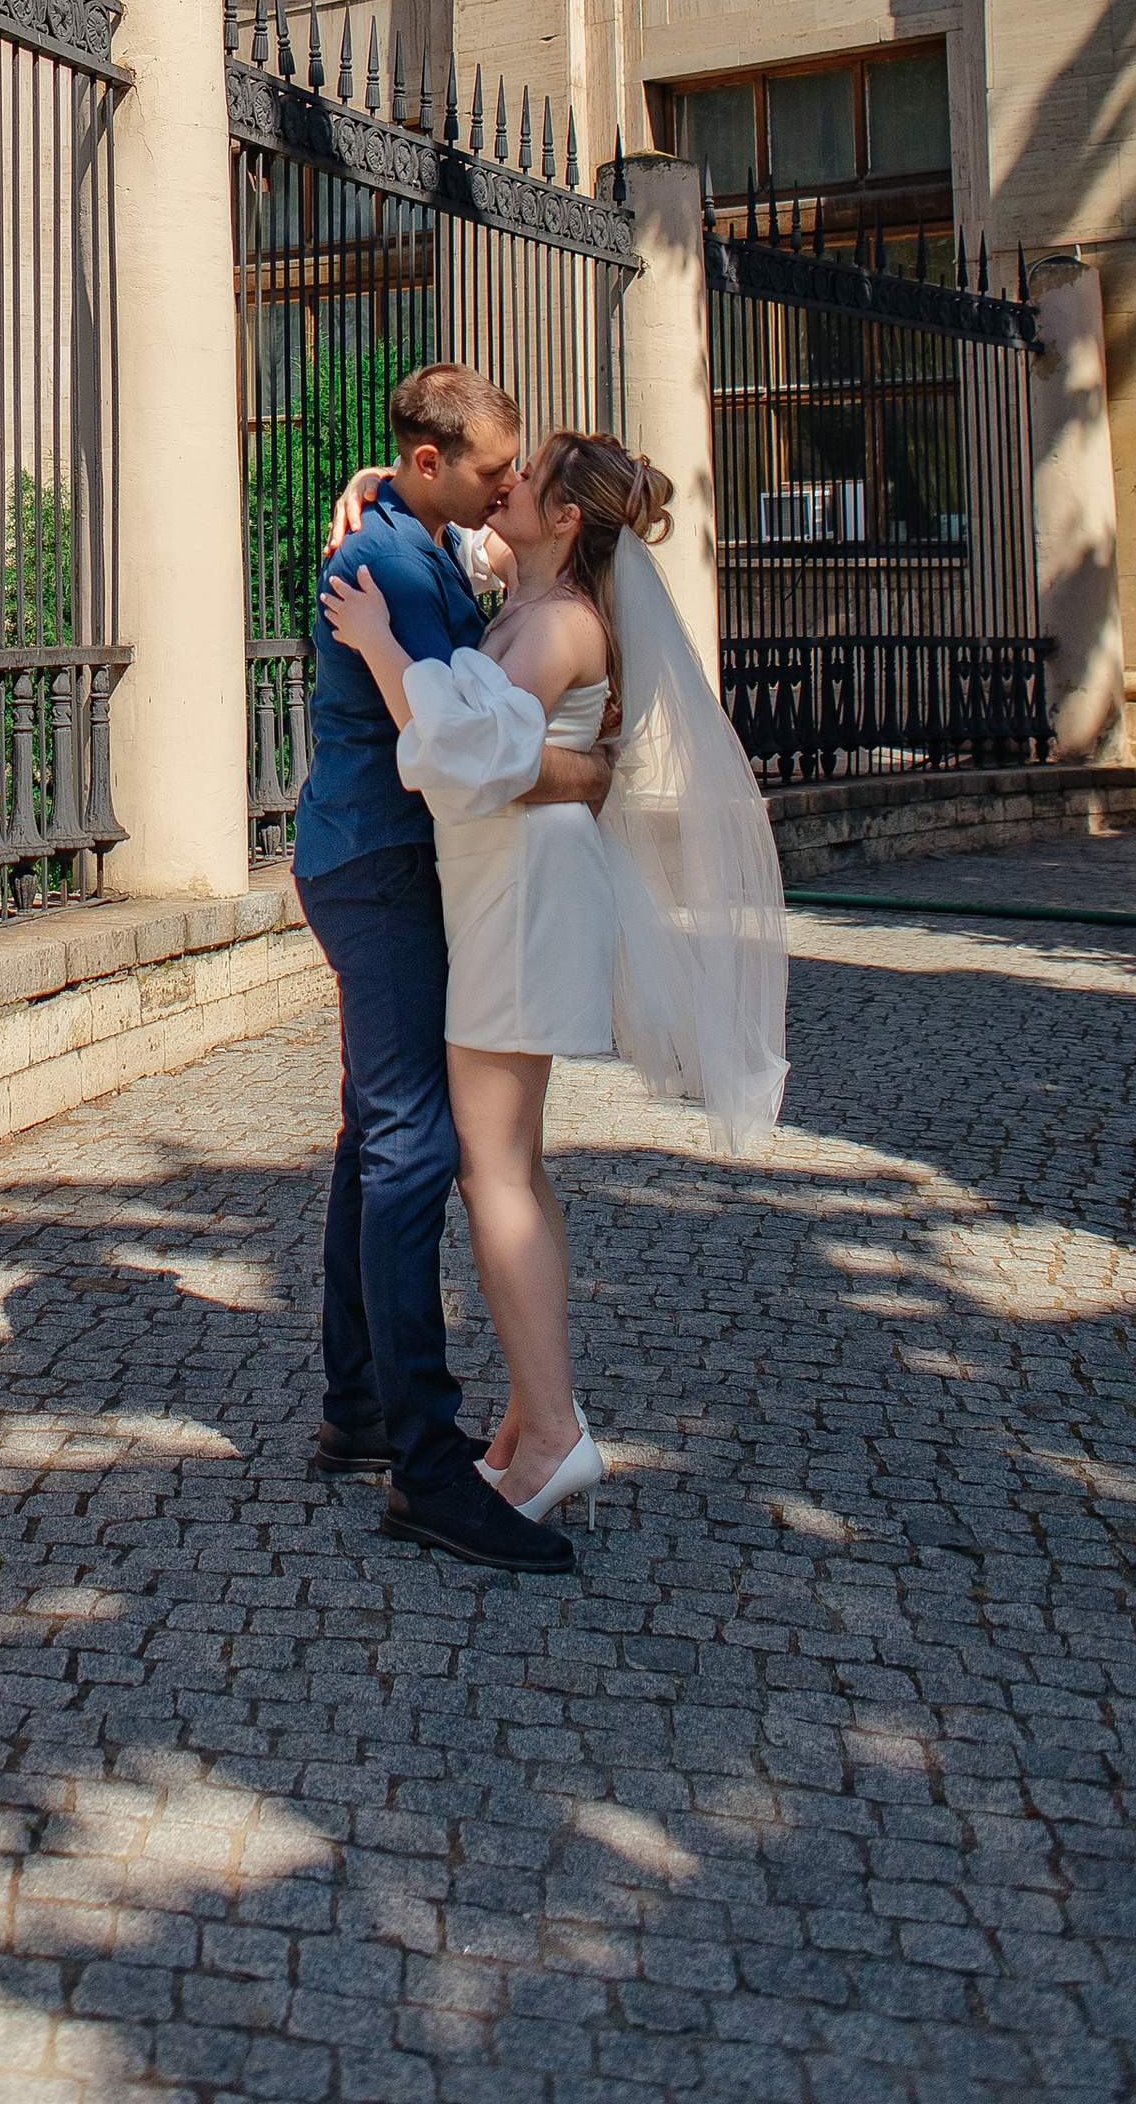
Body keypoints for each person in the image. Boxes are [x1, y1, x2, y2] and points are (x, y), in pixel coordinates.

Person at [326, 427, 791, 1533]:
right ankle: (536, 1417)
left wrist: (382, 645)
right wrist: (374, 481)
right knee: (514, 1169)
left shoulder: (555, 624)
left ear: (567, 518)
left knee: (492, 1173)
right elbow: (473, 563)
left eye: (524, 480)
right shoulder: (532, 596)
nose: (505, 484)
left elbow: (461, 761)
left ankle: (548, 1431)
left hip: (520, 896)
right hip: (513, 887)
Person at [288, 363, 616, 1579]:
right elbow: (454, 733)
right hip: (377, 862)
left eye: (516, 475)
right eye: (489, 469)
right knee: (415, 1145)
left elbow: (485, 647)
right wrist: (583, 775)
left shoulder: (421, 539)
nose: (504, 487)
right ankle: (425, 1463)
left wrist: (379, 489)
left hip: (385, 861)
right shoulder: (392, 561)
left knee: (381, 1132)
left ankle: (366, 1406)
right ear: (435, 465)